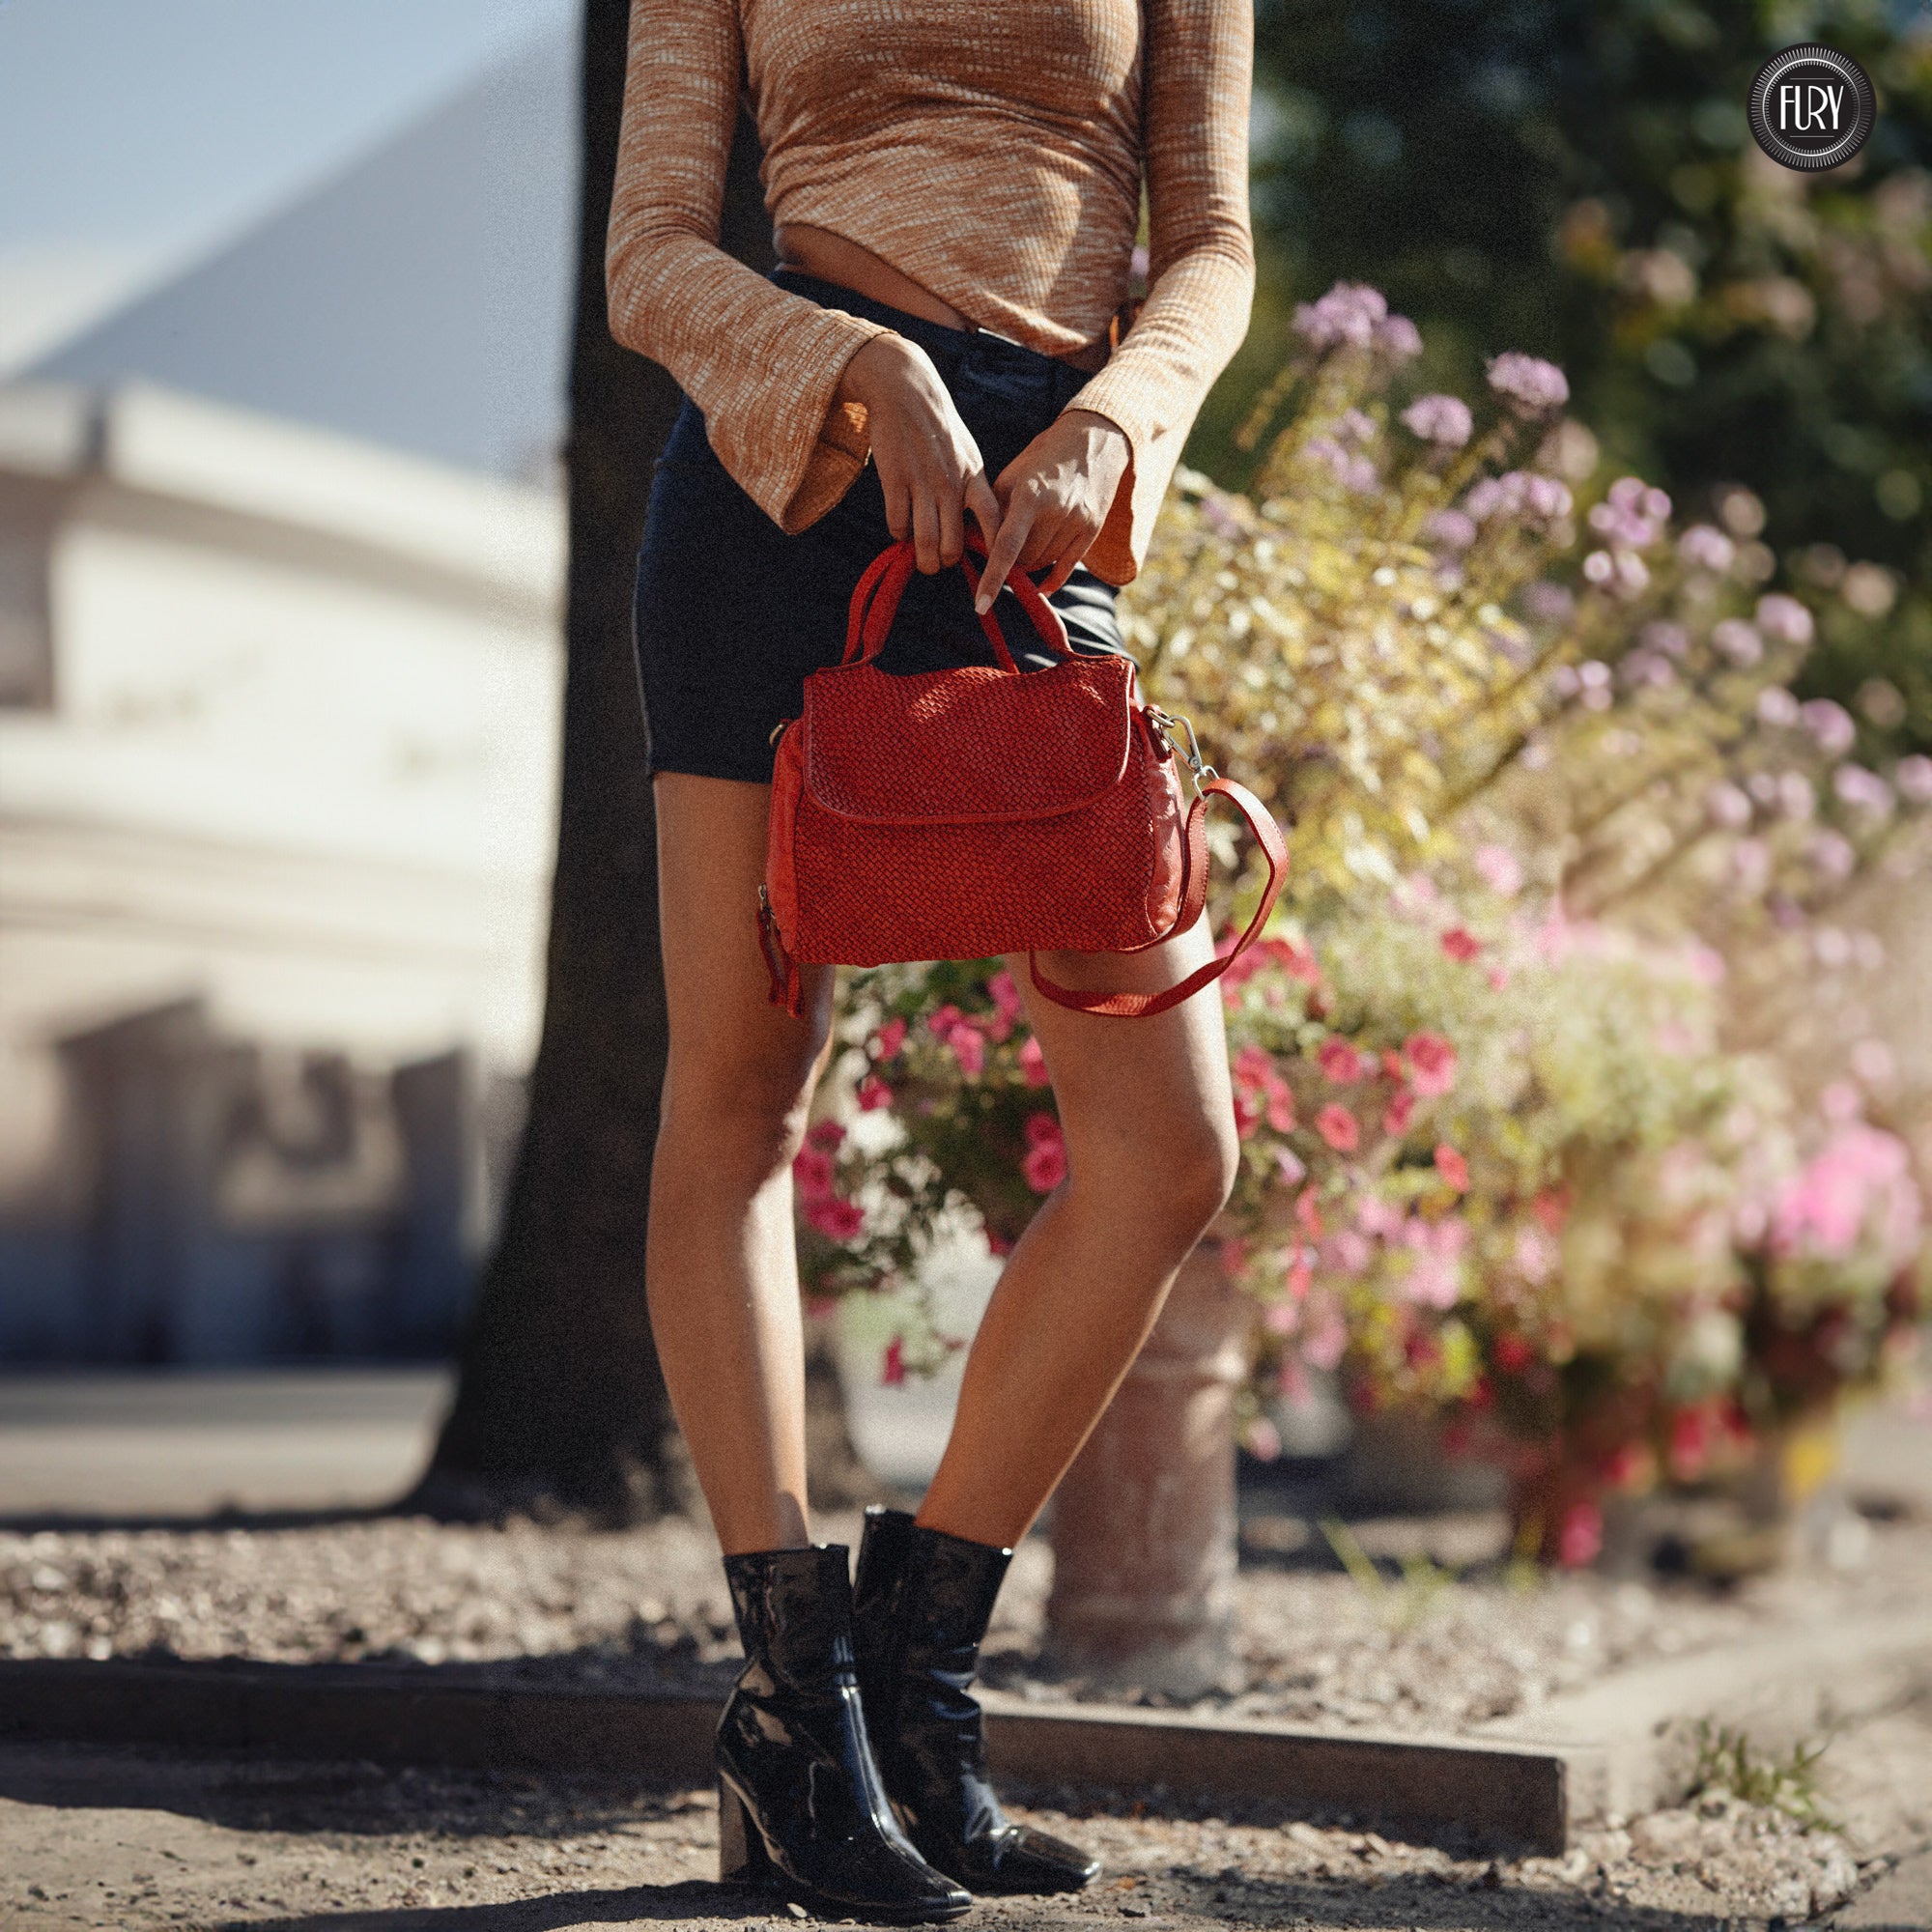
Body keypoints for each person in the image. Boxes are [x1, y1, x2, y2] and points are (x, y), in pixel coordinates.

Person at [607, 0, 1255, 1918]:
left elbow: (1209, 238)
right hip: (780, 478)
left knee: (1166, 1145)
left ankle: (916, 1680)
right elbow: (651, 251)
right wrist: (858, 366)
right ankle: (795, 1721)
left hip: (1043, 505)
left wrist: (1114, 425)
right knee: (739, 1089)